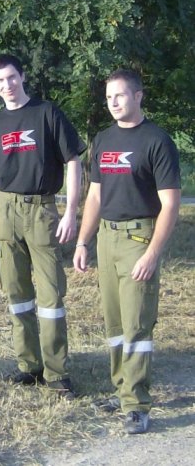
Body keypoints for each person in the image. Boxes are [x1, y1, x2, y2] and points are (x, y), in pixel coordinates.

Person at [73, 69, 180, 434]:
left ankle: (137, 405)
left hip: (139, 239)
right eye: (108, 97)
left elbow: (170, 205)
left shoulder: (157, 141)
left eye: (120, 95)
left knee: (136, 324)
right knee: (116, 325)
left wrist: (151, 254)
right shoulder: (103, 140)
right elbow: (95, 196)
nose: (113, 102)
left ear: (138, 96)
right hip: (107, 239)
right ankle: (122, 391)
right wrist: (83, 241)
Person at [0, 54, 86, 398]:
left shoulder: (46, 113)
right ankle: (29, 365)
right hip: (5, 210)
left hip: (41, 210)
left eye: (11, 77)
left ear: (22, 76)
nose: (7, 85)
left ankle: (56, 373)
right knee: (17, 293)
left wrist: (70, 211)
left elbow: (73, 160)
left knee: (50, 295)